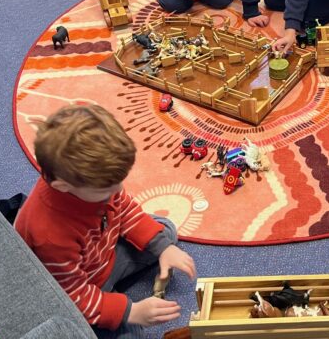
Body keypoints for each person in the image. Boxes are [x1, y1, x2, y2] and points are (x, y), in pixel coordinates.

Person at [14, 104, 196, 338]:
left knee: (165, 233)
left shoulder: (97, 184)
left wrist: (163, 248)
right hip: (79, 286)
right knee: (132, 332)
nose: (118, 190)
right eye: (107, 189)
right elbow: (73, 296)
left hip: (102, 256)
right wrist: (131, 311)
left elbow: (124, 210)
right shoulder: (50, 235)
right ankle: (113, 304)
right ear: (63, 186)